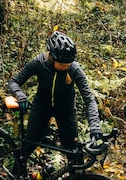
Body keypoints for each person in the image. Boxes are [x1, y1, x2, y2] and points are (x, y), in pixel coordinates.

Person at [8, 31, 103, 166]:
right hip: (41, 107)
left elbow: (89, 98)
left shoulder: (73, 68)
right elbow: (14, 82)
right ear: (51, 57)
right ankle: (16, 179)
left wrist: (95, 126)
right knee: (28, 146)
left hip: (66, 110)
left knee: (73, 153)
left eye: (68, 64)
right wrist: (20, 94)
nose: (66, 66)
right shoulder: (39, 63)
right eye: (62, 64)